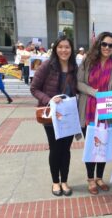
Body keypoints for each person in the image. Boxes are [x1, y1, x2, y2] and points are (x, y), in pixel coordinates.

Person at [30, 36, 79, 196]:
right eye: (61, 47)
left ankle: (64, 181)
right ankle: (55, 182)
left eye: (67, 47)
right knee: (55, 149)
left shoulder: (74, 67)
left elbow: (77, 88)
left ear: (72, 50)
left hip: (69, 115)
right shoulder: (47, 66)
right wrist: (48, 100)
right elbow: (34, 88)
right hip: (52, 116)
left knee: (66, 150)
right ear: (55, 49)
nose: (64, 50)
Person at [77, 32, 112, 195]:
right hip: (88, 109)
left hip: (108, 111)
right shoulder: (87, 61)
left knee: (104, 144)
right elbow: (78, 83)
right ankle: (90, 179)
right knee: (91, 145)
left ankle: (99, 177)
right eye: (104, 44)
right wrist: (93, 92)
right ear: (99, 44)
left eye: (111, 45)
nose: (107, 48)